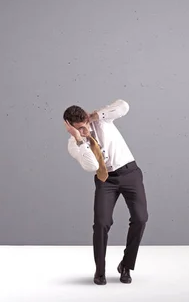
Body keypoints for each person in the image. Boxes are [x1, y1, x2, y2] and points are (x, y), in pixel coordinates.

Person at [63, 99, 148, 286]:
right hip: (105, 180)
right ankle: (99, 271)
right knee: (101, 223)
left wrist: (96, 115)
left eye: (85, 124)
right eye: (79, 127)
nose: (85, 129)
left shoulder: (103, 121)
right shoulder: (74, 145)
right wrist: (80, 139)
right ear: (70, 127)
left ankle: (126, 265)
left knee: (140, 218)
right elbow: (92, 166)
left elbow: (124, 106)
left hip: (130, 173)